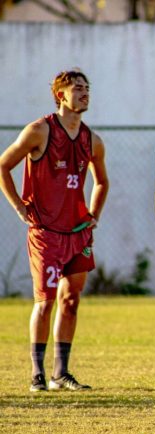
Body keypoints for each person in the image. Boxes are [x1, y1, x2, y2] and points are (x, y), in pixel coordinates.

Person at [0, 69, 109, 392]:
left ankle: (60, 373)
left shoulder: (93, 139)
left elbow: (102, 181)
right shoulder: (39, 130)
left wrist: (94, 215)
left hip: (77, 233)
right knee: (45, 301)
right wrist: (20, 206)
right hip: (46, 231)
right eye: (77, 88)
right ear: (61, 95)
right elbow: (4, 165)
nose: (84, 93)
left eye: (87, 88)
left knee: (71, 300)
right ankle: (37, 373)